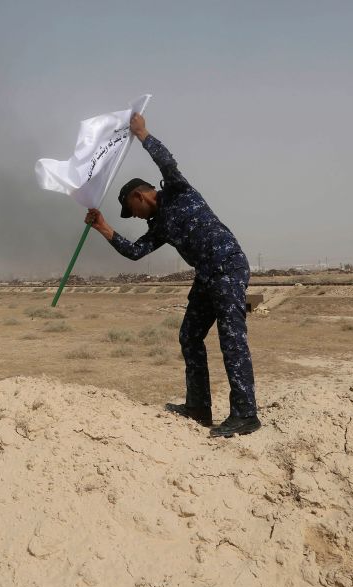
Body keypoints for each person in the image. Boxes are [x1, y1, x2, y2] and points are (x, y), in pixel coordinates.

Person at [84, 113, 260, 438]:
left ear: (140, 196)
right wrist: (104, 228)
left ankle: (246, 414)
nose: (134, 217)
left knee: (231, 337)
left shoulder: (177, 190)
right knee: (189, 336)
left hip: (227, 264)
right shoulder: (159, 225)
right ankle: (198, 407)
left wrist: (143, 135)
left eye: (131, 210)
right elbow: (136, 252)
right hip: (207, 275)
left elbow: (168, 162)